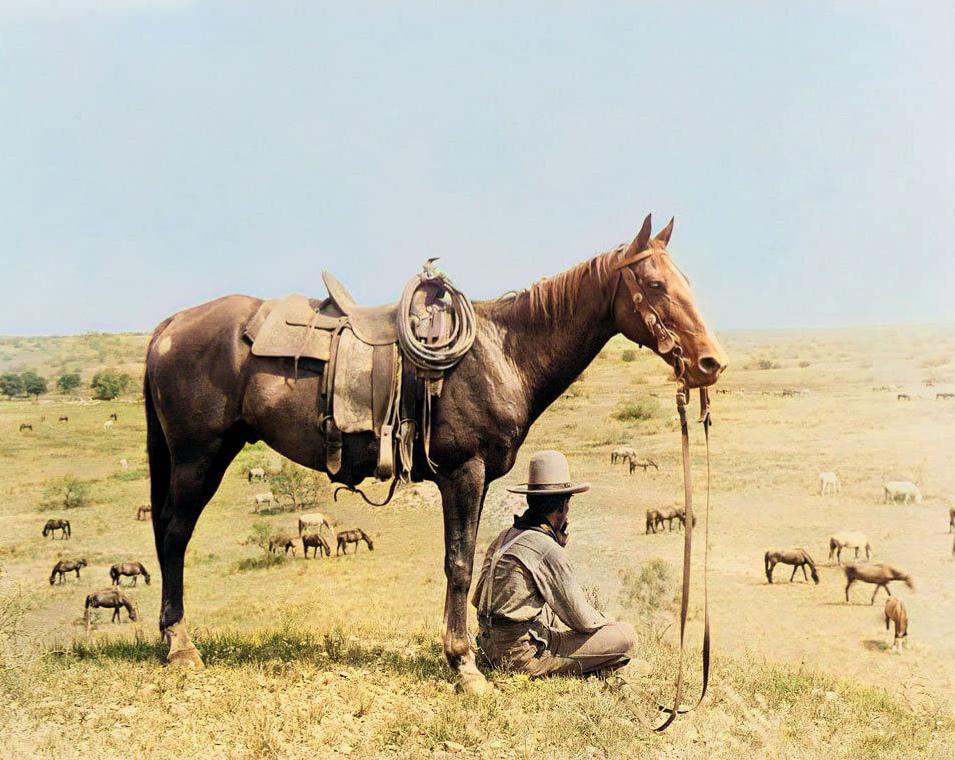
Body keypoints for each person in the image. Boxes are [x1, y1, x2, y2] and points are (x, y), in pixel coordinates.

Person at [472, 450, 635, 676]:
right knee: (625, 636)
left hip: (488, 647)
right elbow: (582, 621)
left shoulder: (505, 536)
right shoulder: (546, 548)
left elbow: (478, 600)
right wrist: (608, 622)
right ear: (561, 507)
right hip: (521, 656)